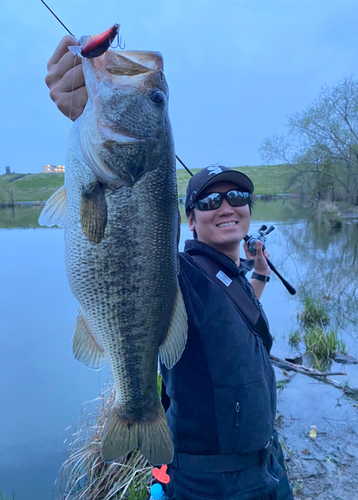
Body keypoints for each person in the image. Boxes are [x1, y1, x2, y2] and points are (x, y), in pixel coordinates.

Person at [45, 37, 293, 500]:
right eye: (210, 199)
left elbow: (225, 319)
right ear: (189, 219)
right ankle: (135, 410)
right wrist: (83, 110)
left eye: (238, 197)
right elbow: (156, 278)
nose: (227, 206)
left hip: (267, 469)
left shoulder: (228, 273)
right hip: (209, 483)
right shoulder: (188, 272)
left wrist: (256, 275)